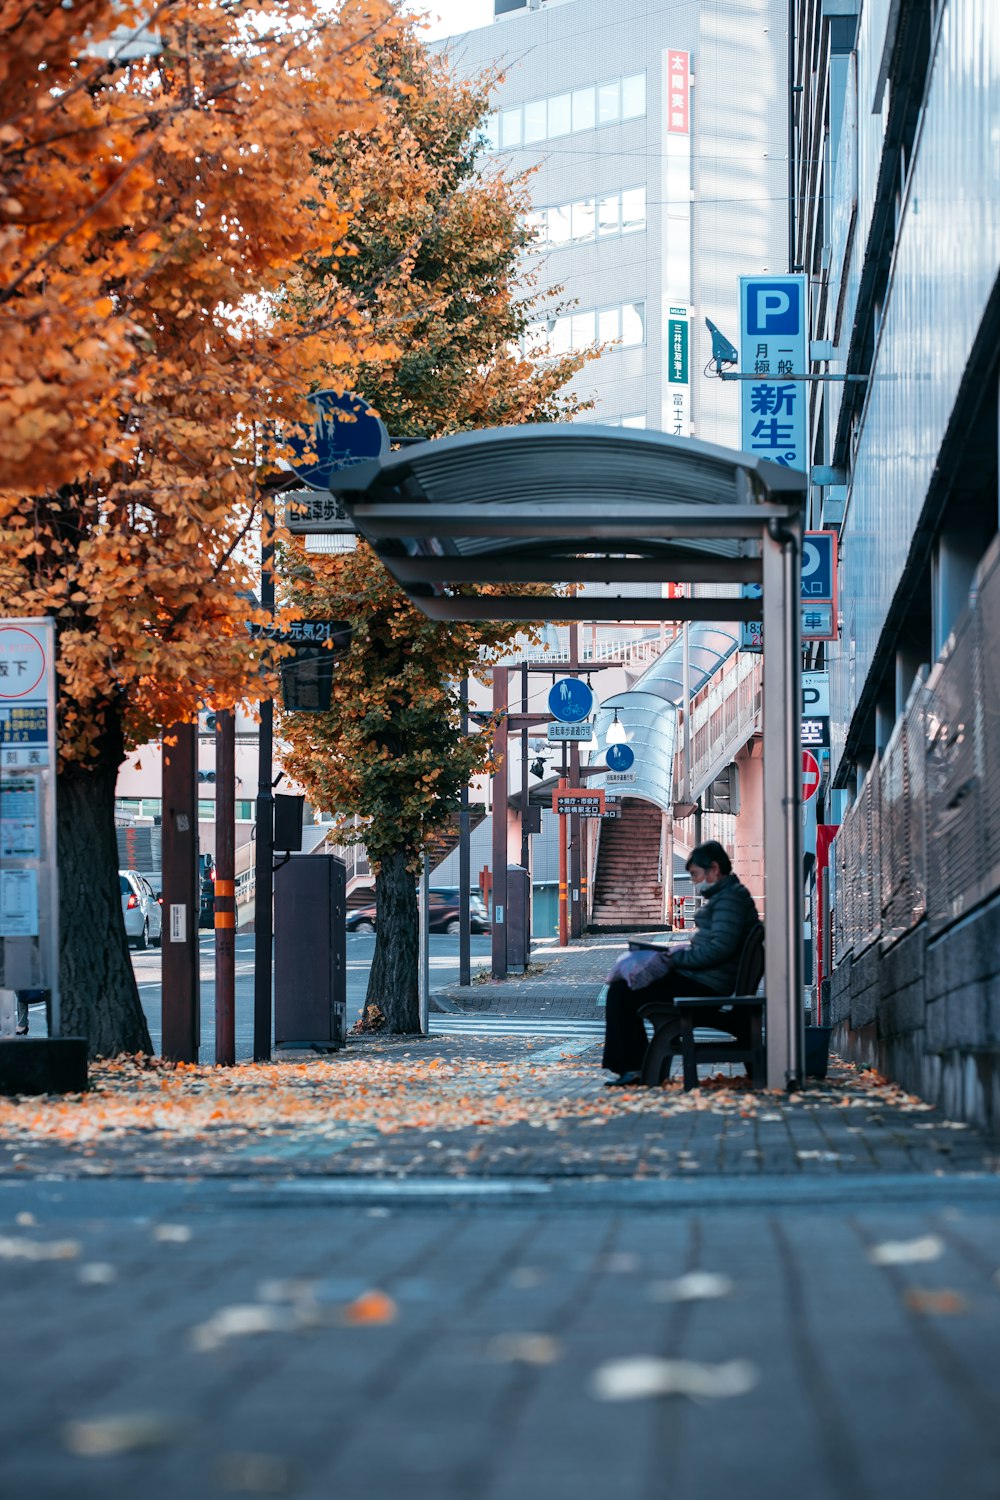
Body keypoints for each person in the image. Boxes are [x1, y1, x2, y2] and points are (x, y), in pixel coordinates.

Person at [602, 840, 761, 1086]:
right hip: (706, 980)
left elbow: (719, 949)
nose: (695, 881)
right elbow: (717, 946)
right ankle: (634, 1065)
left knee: (622, 992)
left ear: (714, 870)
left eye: (696, 874)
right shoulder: (729, 897)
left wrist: (675, 958)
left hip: (706, 986)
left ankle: (634, 1066)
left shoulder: (729, 901)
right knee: (624, 989)